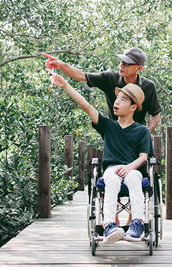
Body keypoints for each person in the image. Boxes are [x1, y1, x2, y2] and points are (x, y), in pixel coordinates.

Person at [46, 68, 153, 244]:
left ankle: (137, 223)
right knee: (110, 179)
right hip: (111, 170)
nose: (116, 102)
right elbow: (86, 106)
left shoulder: (142, 131)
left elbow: (143, 157)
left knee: (134, 178)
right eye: (117, 98)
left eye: (123, 100)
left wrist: (128, 167)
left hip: (133, 169)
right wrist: (65, 84)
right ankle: (109, 224)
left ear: (133, 107)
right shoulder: (107, 126)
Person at [42, 47, 161, 136]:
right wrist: (61, 65)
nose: (121, 65)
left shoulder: (148, 86)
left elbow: (155, 114)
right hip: (114, 131)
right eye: (121, 61)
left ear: (139, 68)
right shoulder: (110, 78)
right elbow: (81, 75)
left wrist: (146, 133)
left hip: (137, 134)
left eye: (127, 63)